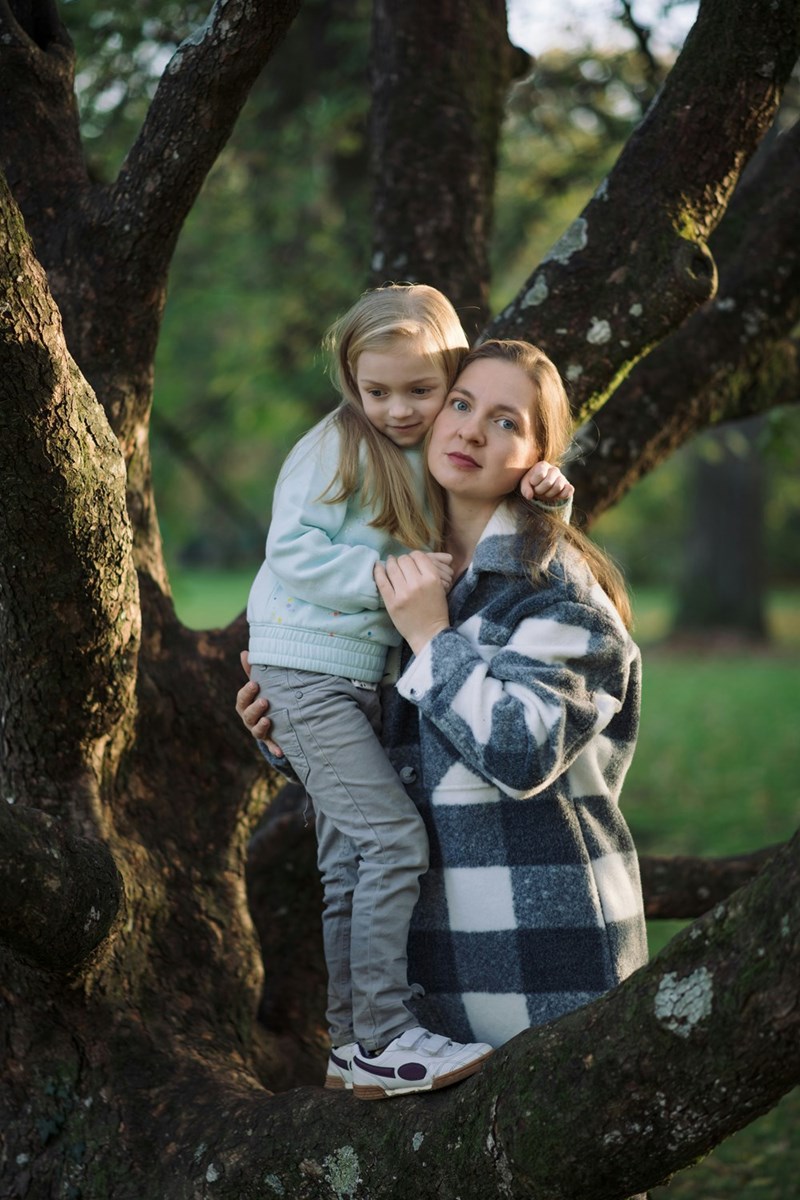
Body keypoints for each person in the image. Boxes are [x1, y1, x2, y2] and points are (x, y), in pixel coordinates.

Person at [239, 336, 647, 1066]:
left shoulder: (555, 591)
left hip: (541, 971)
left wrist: (432, 637)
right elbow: (404, 773)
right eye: (460, 403)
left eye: (505, 421)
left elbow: (523, 752)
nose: (469, 429)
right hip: (427, 1000)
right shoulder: (400, 581)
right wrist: (291, 732)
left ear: (539, 459)